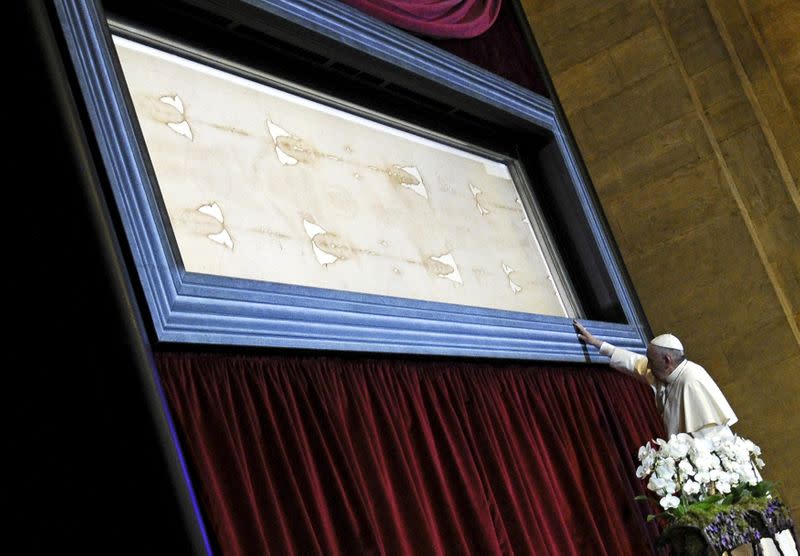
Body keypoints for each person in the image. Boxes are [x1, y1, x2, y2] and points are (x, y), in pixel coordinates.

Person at [573, 320, 737, 439]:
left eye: (651, 361)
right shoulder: (661, 373)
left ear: (667, 360)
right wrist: (598, 344)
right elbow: (634, 362)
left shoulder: (692, 379)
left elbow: (708, 433)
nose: (648, 366)